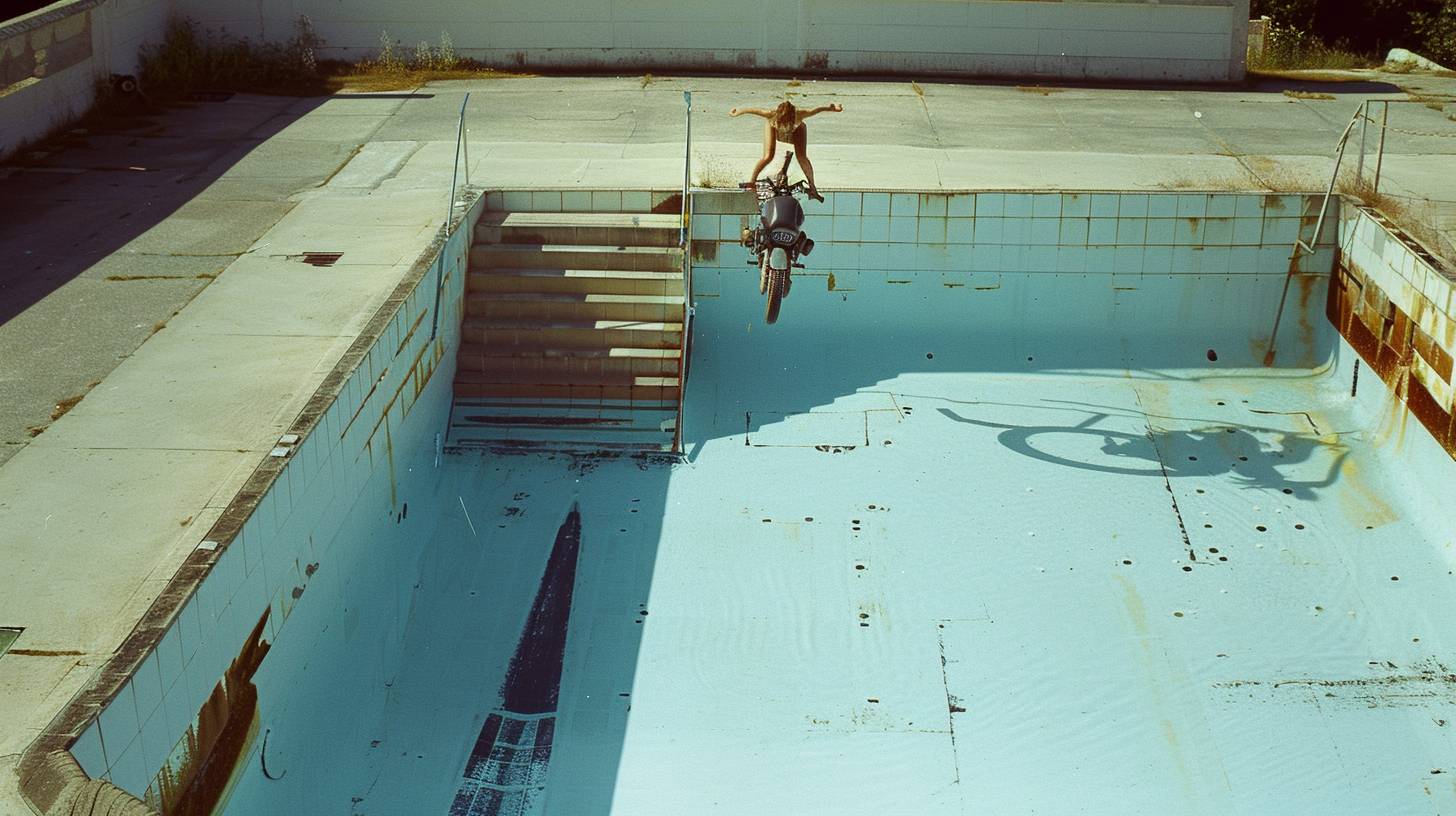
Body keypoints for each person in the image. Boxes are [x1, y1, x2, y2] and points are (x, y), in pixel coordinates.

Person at [729, 100, 843, 201]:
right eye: (783, 121)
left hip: (796, 130)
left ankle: (813, 187)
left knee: (802, 157)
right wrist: (737, 112)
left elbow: (816, 110)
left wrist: (831, 109)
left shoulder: (800, 114)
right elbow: (752, 110)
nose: (786, 125)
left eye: (789, 121)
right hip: (774, 128)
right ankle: (752, 183)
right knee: (768, 156)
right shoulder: (771, 114)